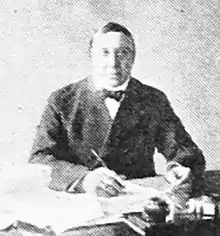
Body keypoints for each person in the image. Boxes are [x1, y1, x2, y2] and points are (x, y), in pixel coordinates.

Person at [29, 22, 206, 198]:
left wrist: (178, 167)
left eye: (123, 53)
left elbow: (184, 150)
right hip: (82, 202)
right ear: (91, 56)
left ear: (133, 58)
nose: (113, 63)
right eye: (104, 53)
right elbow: (39, 159)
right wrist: (85, 179)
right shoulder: (62, 100)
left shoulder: (153, 99)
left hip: (139, 200)